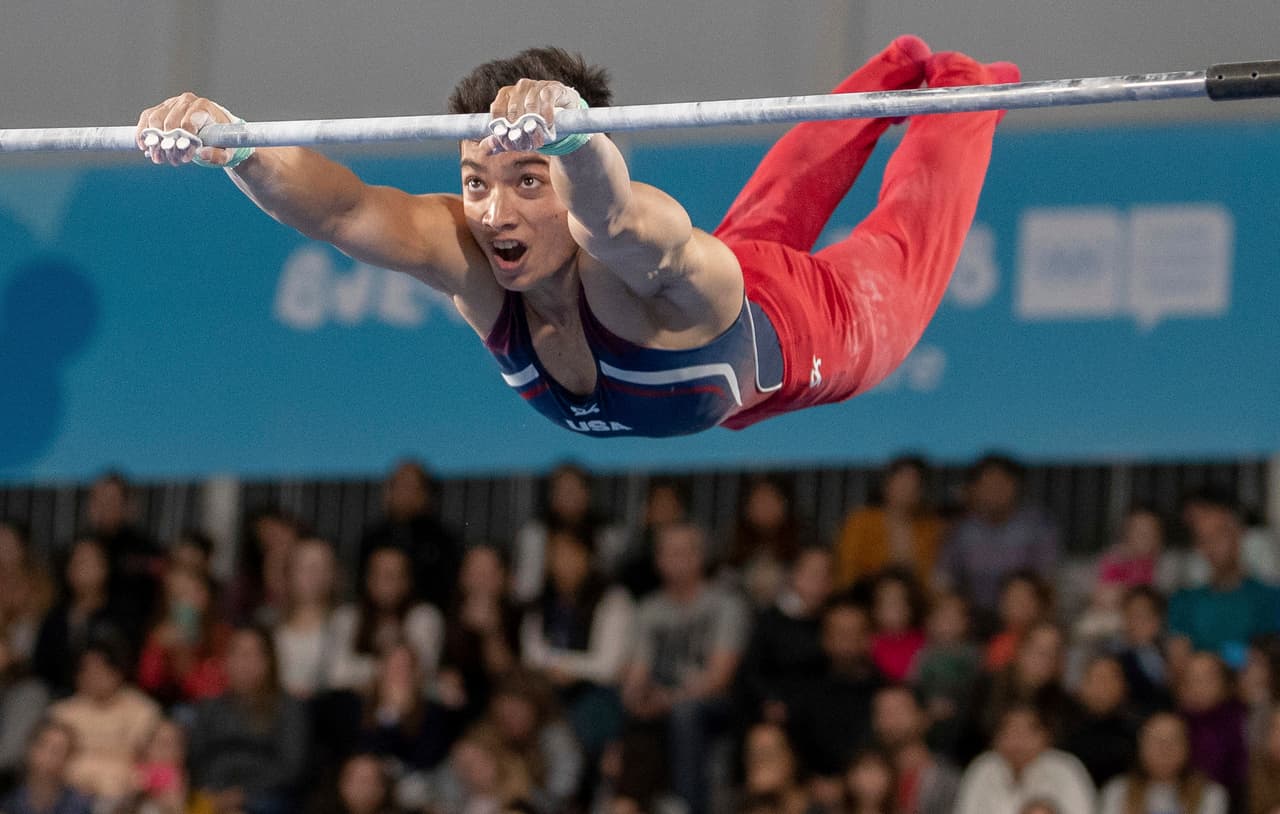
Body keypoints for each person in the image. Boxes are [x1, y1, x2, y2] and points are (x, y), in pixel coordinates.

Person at [134, 38, 1017, 437]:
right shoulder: (471, 265)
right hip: (714, 338)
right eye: (477, 182)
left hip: (808, 327)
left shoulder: (630, 246)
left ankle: (961, 81)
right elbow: (339, 210)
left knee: (907, 230)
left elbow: (618, 219)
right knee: (771, 209)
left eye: (527, 184)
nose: (494, 213)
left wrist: (571, 137)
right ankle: (892, 62)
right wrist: (234, 143)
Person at [617, 521, 749, 814]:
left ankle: (688, 806)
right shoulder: (649, 608)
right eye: (667, 553)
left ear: (700, 557)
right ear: (658, 560)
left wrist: (669, 700)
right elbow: (636, 671)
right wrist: (636, 696)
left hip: (714, 705)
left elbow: (719, 677)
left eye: (683, 552)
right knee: (629, 712)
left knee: (685, 713)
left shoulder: (726, 604)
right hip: (663, 699)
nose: (674, 560)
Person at [186, 626, 310, 814]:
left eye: (252, 654)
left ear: (268, 662)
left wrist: (243, 795)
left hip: (265, 797)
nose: (244, 662)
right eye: (237, 653)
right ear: (226, 661)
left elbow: (291, 767)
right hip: (212, 795)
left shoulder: (288, 707)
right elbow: (195, 760)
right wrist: (214, 795)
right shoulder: (209, 707)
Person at [358, 460, 462, 613]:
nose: (404, 494)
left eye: (411, 487)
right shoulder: (372, 538)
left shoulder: (443, 540)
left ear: (426, 494)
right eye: (399, 486)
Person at [953, 705, 1095, 814]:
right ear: (996, 738)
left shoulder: (1066, 768)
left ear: (1045, 736)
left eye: (1026, 731)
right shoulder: (983, 767)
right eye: (1010, 731)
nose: (1018, 741)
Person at [834, 456, 943, 591]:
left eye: (914, 484)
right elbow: (847, 572)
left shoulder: (932, 528)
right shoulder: (860, 522)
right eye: (902, 482)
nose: (907, 490)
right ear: (887, 484)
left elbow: (937, 578)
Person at [1098, 712, 1228, 814]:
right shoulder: (1117, 792)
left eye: (1173, 741)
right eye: (1156, 741)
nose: (1165, 750)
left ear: (1187, 747)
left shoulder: (1210, 794)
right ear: (1140, 747)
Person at [870, 685, 960, 814]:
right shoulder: (865, 775)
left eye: (898, 711)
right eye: (881, 712)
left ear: (923, 717)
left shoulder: (946, 779)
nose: (888, 720)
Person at [0, 719, 94, 814]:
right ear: (29, 747)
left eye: (56, 750)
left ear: (68, 759)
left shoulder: (78, 803)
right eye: (42, 745)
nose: (46, 755)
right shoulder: (7, 788)